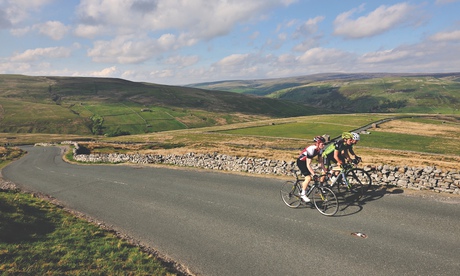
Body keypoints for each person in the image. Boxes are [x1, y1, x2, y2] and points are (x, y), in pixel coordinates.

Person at [296, 136, 326, 202]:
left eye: (324, 144)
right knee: (308, 178)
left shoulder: (320, 149)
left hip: (306, 162)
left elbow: (321, 161)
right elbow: (308, 164)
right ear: (317, 143)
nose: (323, 146)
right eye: (322, 144)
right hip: (301, 162)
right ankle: (303, 194)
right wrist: (313, 174)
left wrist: (325, 171)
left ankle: (304, 187)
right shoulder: (311, 149)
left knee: (312, 176)